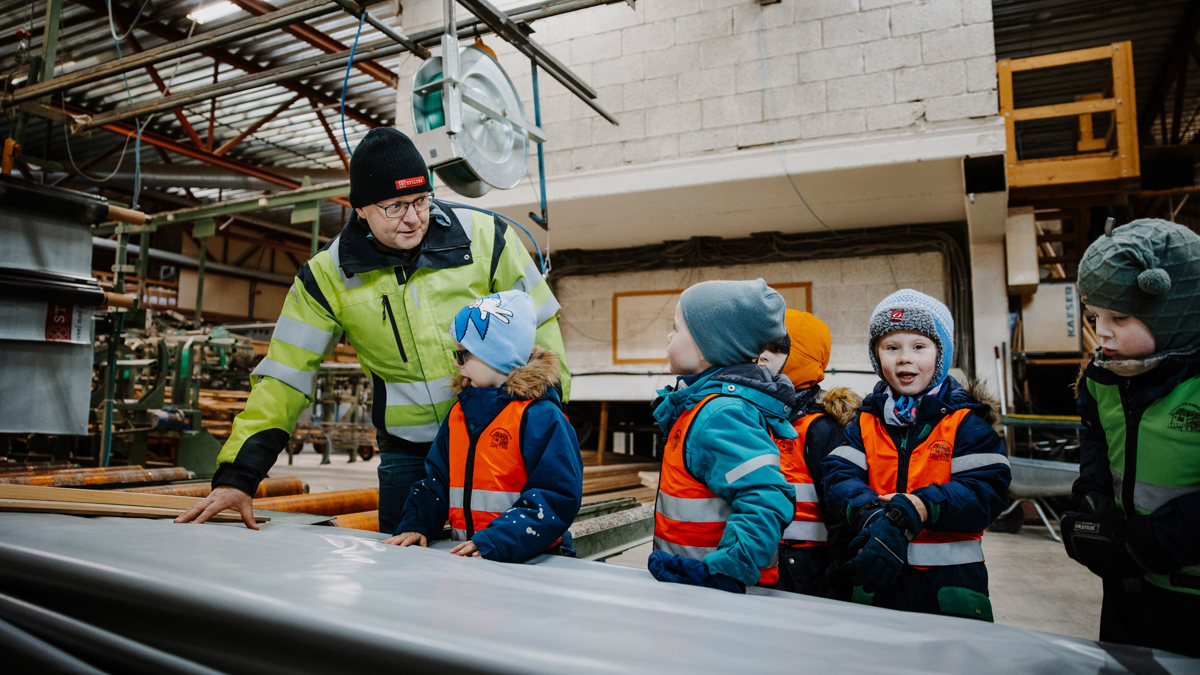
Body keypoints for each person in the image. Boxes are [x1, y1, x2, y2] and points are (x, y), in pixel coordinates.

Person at [176, 127, 569, 533]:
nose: (414, 218)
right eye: (395, 206)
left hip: (500, 434)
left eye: (420, 200)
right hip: (409, 452)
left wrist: (543, 422)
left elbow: (543, 331)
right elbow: (285, 378)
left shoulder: (487, 238)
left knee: (506, 557)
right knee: (403, 573)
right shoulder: (326, 277)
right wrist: (239, 478)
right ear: (361, 208)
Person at [822, 289, 1010, 620]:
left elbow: (986, 491)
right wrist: (869, 514)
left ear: (941, 354)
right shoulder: (865, 421)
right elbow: (838, 476)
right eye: (891, 347)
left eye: (919, 347)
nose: (905, 358)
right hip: (876, 575)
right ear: (876, 356)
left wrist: (918, 507)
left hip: (949, 586)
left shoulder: (966, 422)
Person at [1061, 218, 1200, 657]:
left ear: (1174, 305)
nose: (1101, 332)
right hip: (1128, 582)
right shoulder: (1102, 380)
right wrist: (1092, 504)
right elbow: (1097, 450)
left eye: (1119, 317)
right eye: (1095, 316)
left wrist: (1168, 537)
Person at [383, 290, 582, 562]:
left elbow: (556, 495)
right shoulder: (458, 415)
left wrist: (498, 539)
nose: (456, 362)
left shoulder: (540, 417)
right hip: (475, 557)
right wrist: (417, 523)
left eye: (463, 354)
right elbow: (436, 481)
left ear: (498, 355)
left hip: (533, 559)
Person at [647, 279, 796, 593]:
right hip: (693, 583)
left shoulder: (721, 414)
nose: (668, 336)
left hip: (718, 588)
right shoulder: (700, 405)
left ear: (709, 345)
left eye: (676, 328)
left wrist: (726, 571)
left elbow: (766, 500)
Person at [758, 310, 857, 598]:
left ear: (804, 357)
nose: (763, 356)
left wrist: (838, 577)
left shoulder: (820, 427)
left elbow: (840, 513)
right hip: (762, 562)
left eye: (777, 349)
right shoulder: (758, 417)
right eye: (760, 348)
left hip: (807, 572)